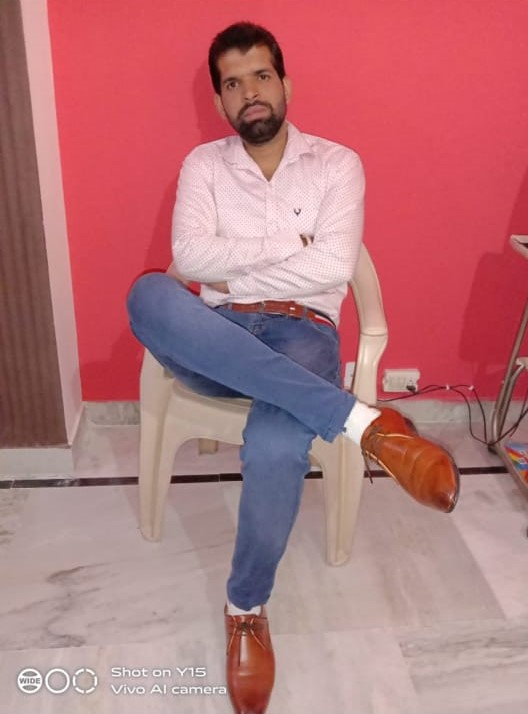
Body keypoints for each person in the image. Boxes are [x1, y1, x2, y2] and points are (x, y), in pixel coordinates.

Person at [127, 21, 459, 714]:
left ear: (285, 83)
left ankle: (245, 608)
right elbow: (188, 260)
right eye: (232, 83)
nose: (249, 92)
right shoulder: (202, 166)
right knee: (148, 296)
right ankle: (364, 425)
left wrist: (236, 263)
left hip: (302, 333)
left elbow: (331, 267)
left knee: (278, 444)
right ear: (219, 101)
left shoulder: (338, 165)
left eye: (260, 76)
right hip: (216, 336)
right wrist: (289, 242)